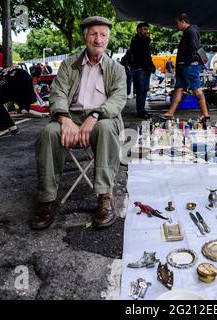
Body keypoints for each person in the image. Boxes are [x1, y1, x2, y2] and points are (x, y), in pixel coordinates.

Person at [31, 16, 126, 230]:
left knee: (105, 127)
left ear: (108, 40)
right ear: (85, 37)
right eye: (93, 34)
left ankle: (104, 196)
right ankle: (47, 200)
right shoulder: (68, 64)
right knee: (49, 132)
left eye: (103, 35)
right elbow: (58, 94)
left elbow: (118, 100)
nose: (98, 39)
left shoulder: (117, 69)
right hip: (71, 118)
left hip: (102, 119)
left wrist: (94, 116)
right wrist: (64, 119)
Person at [162, 13, 210, 120]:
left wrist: (188, 63)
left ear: (183, 21)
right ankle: (170, 112)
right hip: (183, 67)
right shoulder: (188, 32)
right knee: (178, 89)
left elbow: (194, 48)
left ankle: (205, 114)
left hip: (189, 67)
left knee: (196, 89)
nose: (176, 25)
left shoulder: (191, 31)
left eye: (177, 23)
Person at [130, 22, 155, 119]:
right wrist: (147, 39)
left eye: (147, 29)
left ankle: (142, 109)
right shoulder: (136, 40)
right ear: (139, 30)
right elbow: (139, 53)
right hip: (140, 69)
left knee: (144, 90)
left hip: (146, 69)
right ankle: (140, 111)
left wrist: (151, 65)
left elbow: (147, 55)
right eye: (144, 29)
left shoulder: (144, 40)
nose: (146, 31)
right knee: (140, 90)